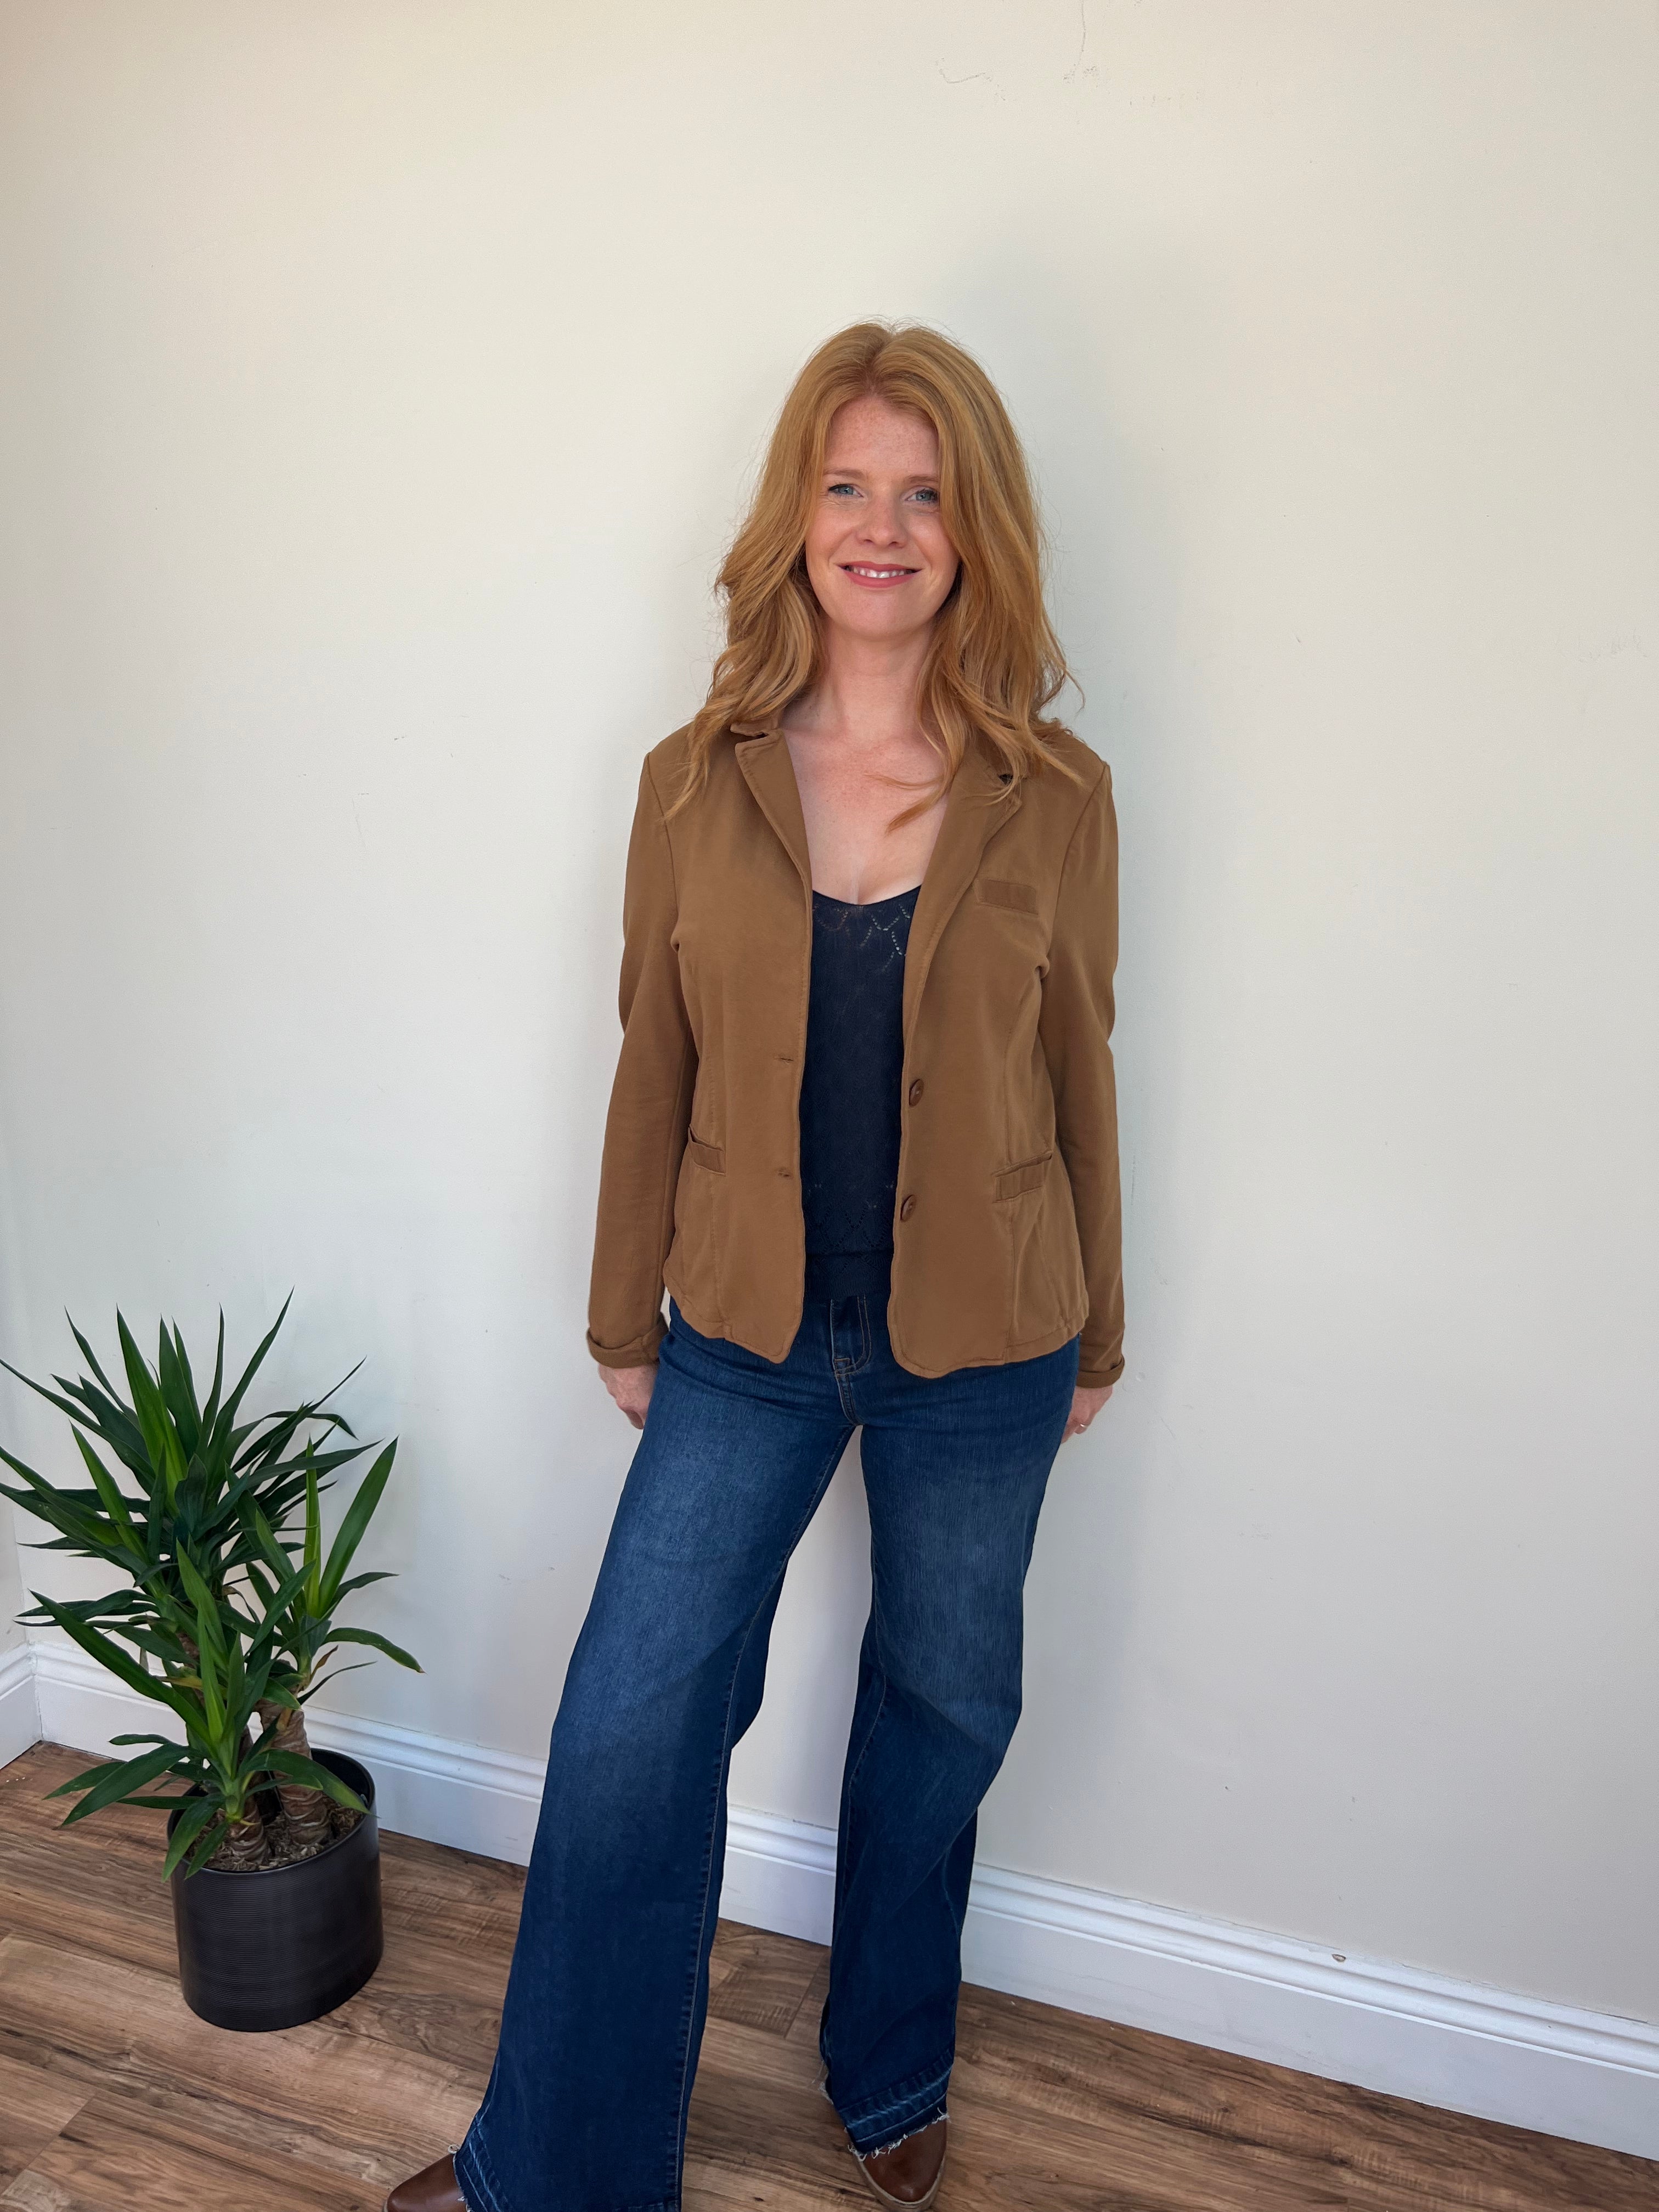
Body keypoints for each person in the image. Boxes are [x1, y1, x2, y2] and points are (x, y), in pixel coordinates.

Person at [388, 321, 1124, 2212]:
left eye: (926, 493)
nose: (884, 526)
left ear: (976, 530)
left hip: (990, 1336)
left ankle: (890, 2065)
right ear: (795, 515)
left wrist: (1098, 1334)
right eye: (847, 483)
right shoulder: (689, 778)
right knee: (630, 1725)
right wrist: (618, 1314)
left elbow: (1081, 1067)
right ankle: (554, 2171)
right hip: (743, 1327)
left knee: (946, 1705)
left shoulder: (1058, 792)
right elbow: (653, 1058)